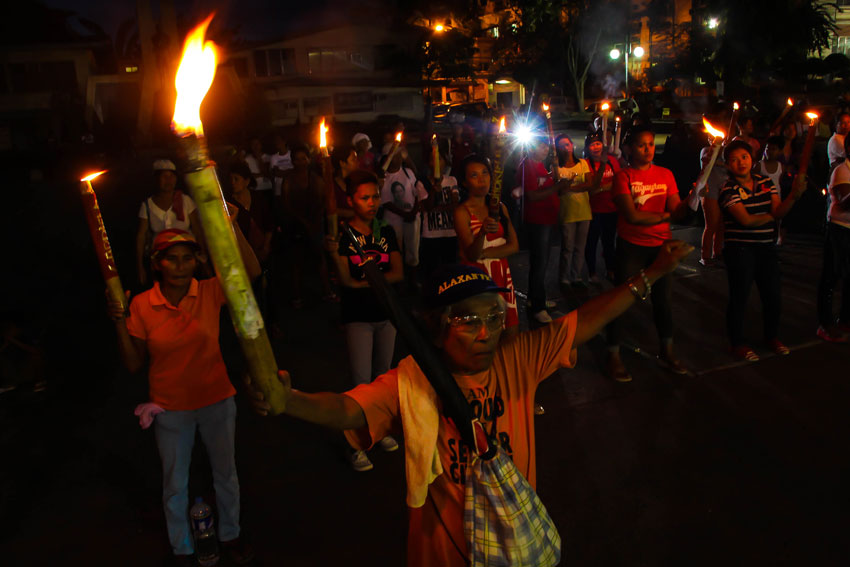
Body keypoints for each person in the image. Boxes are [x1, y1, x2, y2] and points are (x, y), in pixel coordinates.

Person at [246, 242, 693, 567]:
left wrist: (651, 273)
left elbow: (588, 320)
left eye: (494, 317)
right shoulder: (413, 381)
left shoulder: (518, 358)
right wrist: (290, 401)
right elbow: (349, 411)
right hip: (442, 552)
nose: (486, 333)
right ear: (437, 326)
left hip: (513, 543)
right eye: (467, 321)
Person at [107, 227, 260, 566]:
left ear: (197, 260)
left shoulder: (208, 291)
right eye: (172, 259)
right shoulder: (143, 305)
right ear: (157, 263)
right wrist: (119, 321)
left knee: (226, 474)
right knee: (175, 483)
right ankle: (183, 548)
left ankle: (230, 534)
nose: (181, 266)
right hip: (170, 407)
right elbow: (134, 363)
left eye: (187, 258)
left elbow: (249, 272)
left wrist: (230, 224)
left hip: (216, 399)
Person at [326, 169, 404, 471]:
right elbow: (345, 280)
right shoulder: (344, 235)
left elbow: (399, 273)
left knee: (382, 377)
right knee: (361, 383)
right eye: (364, 197)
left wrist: (366, 282)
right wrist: (335, 258)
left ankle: (378, 430)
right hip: (358, 316)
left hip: (386, 314)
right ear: (351, 200)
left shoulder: (386, 231)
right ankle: (355, 442)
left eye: (375, 196)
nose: (372, 203)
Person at [606, 125, 696, 381]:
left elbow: (676, 209)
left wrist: (691, 202)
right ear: (630, 149)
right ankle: (613, 354)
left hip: (661, 247)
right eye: (642, 145)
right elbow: (632, 216)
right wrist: (668, 215)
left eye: (651, 144)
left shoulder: (665, 174)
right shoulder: (623, 177)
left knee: (663, 302)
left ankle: (667, 351)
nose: (648, 150)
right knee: (621, 301)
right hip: (631, 246)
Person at [718, 140, 808, 361]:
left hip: (766, 248)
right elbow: (746, 221)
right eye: (735, 159)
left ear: (753, 159)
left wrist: (794, 196)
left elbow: (779, 210)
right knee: (740, 297)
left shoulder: (766, 182)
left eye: (745, 157)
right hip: (740, 249)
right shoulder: (728, 189)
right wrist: (772, 217)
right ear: (728, 165)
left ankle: (771, 336)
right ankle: (737, 343)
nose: (741, 162)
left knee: (773, 296)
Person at [454, 154, 519, 339]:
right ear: (465, 183)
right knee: (485, 336)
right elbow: (472, 255)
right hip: (479, 281)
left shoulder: (500, 207)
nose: (482, 179)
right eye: (474, 175)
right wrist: (482, 232)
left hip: (503, 278)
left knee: (510, 337)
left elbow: (514, 246)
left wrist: (486, 253)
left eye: (485, 173)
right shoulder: (462, 212)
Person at [517, 139, 572, 323]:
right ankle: (538, 307)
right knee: (539, 264)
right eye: (541, 146)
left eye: (546, 146)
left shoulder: (541, 166)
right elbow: (532, 195)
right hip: (537, 221)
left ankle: (536, 298)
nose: (545, 149)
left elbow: (548, 188)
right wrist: (557, 186)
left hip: (547, 220)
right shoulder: (527, 166)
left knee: (542, 262)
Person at [279, 145, 335, 307]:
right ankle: (297, 295)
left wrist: (315, 222)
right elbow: (286, 203)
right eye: (297, 159)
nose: (301, 162)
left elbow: (324, 201)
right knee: (297, 261)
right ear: (292, 161)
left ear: (309, 160)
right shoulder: (288, 179)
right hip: (295, 225)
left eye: (304, 158)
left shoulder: (315, 178)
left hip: (315, 223)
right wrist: (302, 221)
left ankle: (327, 291)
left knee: (320, 258)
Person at [136, 159, 202, 288]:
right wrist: (140, 268)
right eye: (164, 176)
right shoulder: (147, 206)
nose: (168, 180)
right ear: (156, 179)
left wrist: (203, 258)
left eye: (172, 176)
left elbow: (197, 230)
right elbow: (141, 237)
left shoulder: (185, 201)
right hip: (161, 264)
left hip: (186, 261)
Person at [816, 134, 850, 342]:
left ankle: (845, 318)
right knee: (832, 275)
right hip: (840, 229)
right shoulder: (842, 170)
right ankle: (825, 324)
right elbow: (845, 202)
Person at [380, 142, 428, 286]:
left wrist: (414, 210)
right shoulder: (384, 177)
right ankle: (398, 281)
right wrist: (404, 213)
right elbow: (386, 201)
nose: (400, 158)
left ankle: (412, 281)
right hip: (394, 221)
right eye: (396, 155)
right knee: (396, 251)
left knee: (413, 249)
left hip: (411, 218)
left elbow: (416, 192)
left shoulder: (408, 172)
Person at [555, 134, 593, 288]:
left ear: (572, 146)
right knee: (567, 246)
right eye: (562, 145)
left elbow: (589, 184)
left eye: (568, 144)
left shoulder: (582, 163)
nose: (566, 148)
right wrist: (571, 187)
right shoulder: (557, 166)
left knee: (580, 246)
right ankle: (564, 277)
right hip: (567, 211)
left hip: (584, 210)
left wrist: (569, 187)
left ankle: (575, 275)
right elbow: (558, 190)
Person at [584, 131, 622, 283]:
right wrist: (603, 187)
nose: (596, 147)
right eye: (592, 145)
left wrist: (604, 187)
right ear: (587, 148)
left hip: (611, 209)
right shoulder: (585, 164)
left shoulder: (612, 161)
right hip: (593, 210)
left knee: (609, 242)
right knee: (591, 242)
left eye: (598, 143)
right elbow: (591, 188)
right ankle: (592, 272)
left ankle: (610, 269)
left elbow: (619, 182)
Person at [419, 140, 459, 282]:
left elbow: (456, 204)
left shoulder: (452, 180)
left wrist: (438, 208)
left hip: (450, 233)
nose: (436, 163)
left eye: (439, 159)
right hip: (431, 235)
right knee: (433, 273)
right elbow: (428, 208)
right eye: (433, 160)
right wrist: (433, 192)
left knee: (451, 272)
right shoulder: (422, 183)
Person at [698, 146, 727, 266]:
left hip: (724, 189)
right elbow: (707, 161)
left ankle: (717, 252)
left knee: (721, 224)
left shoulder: (727, 152)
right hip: (710, 190)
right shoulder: (706, 150)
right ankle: (705, 256)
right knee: (711, 224)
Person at [331, 144, 359, 222]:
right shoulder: (331, 186)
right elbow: (329, 210)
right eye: (353, 159)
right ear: (342, 163)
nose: (357, 162)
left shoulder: (359, 182)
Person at [243, 136, 273, 207]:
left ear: (261, 145)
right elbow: (248, 176)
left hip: (268, 189)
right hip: (254, 190)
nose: (255, 146)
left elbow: (269, 174)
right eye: (253, 144)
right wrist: (262, 174)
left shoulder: (269, 158)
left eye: (257, 144)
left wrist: (259, 159)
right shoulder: (247, 159)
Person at [269, 133, 293, 198]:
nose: (277, 143)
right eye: (276, 141)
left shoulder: (292, 154)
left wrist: (281, 172)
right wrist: (289, 171)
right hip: (279, 190)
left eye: (279, 140)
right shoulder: (273, 157)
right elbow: (275, 173)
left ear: (284, 141)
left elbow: (296, 171)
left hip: (292, 189)